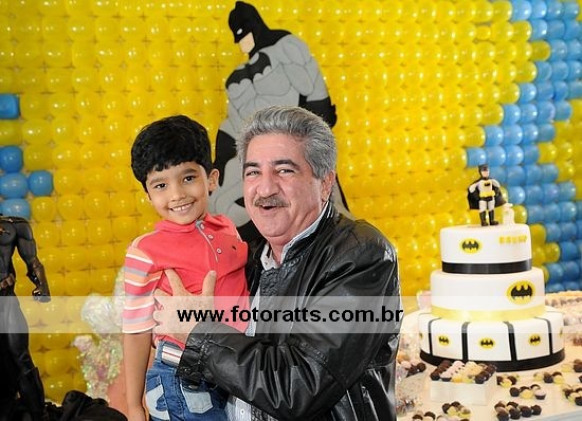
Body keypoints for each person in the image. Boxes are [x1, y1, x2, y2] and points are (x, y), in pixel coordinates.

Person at [154, 106, 402, 420]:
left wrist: (197, 332)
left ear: (325, 183)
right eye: (253, 172)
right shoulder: (249, 257)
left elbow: (299, 387)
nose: (265, 188)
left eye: (284, 170)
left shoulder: (361, 254)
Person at [122, 115, 249, 421]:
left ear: (212, 179)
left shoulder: (228, 228)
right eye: (161, 185)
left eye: (188, 178)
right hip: (181, 378)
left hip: (234, 373)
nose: (177, 194)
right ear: (148, 194)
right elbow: (136, 331)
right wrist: (134, 406)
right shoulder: (145, 251)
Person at [209, 0, 351, 242]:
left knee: (325, 206)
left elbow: (312, 85)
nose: (242, 43)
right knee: (220, 200)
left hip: (297, 143)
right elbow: (235, 121)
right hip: (255, 149)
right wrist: (223, 157)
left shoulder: (286, 46)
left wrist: (318, 124)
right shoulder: (241, 76)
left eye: (243, 35)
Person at [0, 215, 51, 421]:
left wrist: (42, 285)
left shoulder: (14, 226)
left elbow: (33, 261)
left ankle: (40, 414)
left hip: (6, 299)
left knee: (20, 356)